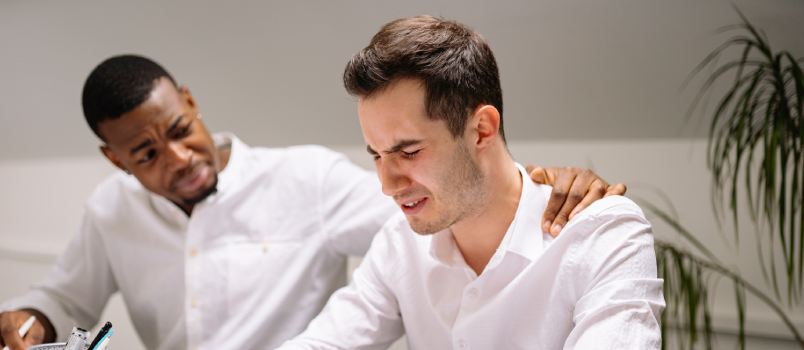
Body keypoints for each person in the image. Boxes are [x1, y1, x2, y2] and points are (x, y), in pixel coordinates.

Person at [0, 55, 624, 349]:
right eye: (145, 155)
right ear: (115, 159)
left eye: (179, 131)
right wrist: (30, 319)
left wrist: (533, 183)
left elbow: (440, 203)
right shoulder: (110, 212)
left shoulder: (309, 181)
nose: (178, 158)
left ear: (190, 102)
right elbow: (62, 297)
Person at [278, 16, 664, 349]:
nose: (388, 184)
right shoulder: (400, 243)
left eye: (409, 153)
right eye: (377, 155)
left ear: (481, 129)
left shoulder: (603, 234)